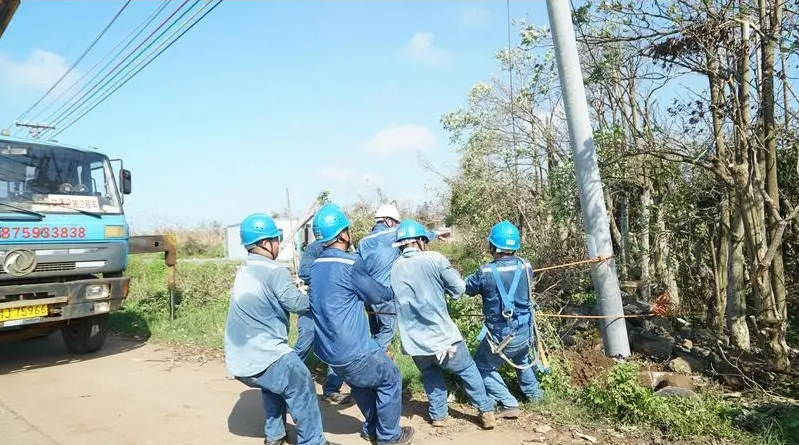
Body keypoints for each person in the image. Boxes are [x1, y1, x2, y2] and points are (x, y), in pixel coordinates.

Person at [223, 213, 340, 445]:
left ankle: (275, 435)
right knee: (301, 382)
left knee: (274, 384)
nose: (279, 244)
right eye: (276, 239)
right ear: (265, 243)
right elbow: (296, 304)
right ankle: (313, 441)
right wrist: (320, 297)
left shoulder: (245, 269)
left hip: (239, 357)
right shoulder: (275, 270)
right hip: (263, 352)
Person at [309, 203, 415, 445]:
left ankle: (372, 428)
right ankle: (389, 436)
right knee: (391, 377)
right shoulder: (349, 264)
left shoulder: (316, 266)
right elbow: (377, 295)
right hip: (352, 348)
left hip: (328, 351)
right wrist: (392, 293)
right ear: (343, 234)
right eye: (348, 230)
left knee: (360, 383)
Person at [389, 219, 497, 430]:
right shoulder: (435, 259)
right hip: (442, 337)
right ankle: (486, 412)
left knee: (430, 374)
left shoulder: (394, 267)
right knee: (467, 369)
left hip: (414, 341)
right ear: (420, 241)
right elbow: (459, 288)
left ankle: (439, 415)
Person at [464, 220, 545, 419]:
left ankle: (508, 402)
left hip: (502, 334)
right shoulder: (526, 265)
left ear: (493, 246)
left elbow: (468, 288)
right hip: (525, 329)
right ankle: (535, 396)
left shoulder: (485, 272)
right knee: (522, 359)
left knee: (481, 366)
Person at [294, 237, 354, 405]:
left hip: (333, 305)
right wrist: (328, 278)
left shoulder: (345, 250)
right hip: (313, 304)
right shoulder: (315, 248)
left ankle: (331, 390)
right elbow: (304, 272)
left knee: (335, 346)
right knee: (304, 343)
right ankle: (286, 383)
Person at [357, 204, 402, 354]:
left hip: (367, 297)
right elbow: (415, 233)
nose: (396, 225)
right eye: (395, 222)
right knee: (387, 331)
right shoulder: (393, 234)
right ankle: (371, 360)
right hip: (384, 296)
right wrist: (435, 234)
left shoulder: (363, 241)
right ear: (389, 221)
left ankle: (371, 358)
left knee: (376, 333)